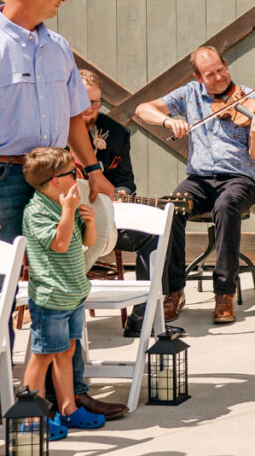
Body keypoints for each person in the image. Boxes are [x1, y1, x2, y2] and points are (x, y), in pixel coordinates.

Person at [0, 0, 115, 423]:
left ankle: (72, 393)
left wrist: (93, 171)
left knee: (67, 281)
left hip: (56, 179)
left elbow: (73, 119)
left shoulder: (58, 47)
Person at [134, 46, 255, 325]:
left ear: (226, 64)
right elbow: (142, 109)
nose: (219, 77)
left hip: (239, 179)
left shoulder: (250, 98)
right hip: (200, 179)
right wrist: (168, 120)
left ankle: (224, 293)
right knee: (170, 207)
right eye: (210, 74)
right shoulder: (189, 95)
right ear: (199, 77)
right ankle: (174, 290)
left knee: (226, 205)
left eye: (221, 69)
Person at [76, 69, 183, 339]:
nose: (92, 108)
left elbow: (125, 180)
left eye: (97, 102)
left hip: (104, 215)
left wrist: (120, 192)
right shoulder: (52, 130)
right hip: (64, 220)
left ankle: (142, 317)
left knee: (152, 235)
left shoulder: (116, 133)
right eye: (85, 101)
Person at [21, 147, 106, 440]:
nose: (77, 177)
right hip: (50, 296)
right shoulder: (37, 211)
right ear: (56, 180)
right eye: (73, 173)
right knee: (43, 355)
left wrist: (90, 222)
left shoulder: (64, 203)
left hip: (72, 293)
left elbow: (86, 241)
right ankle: (32, 419)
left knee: (67, 351)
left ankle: (68, 409)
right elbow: (58, 243)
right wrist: (68, 212)